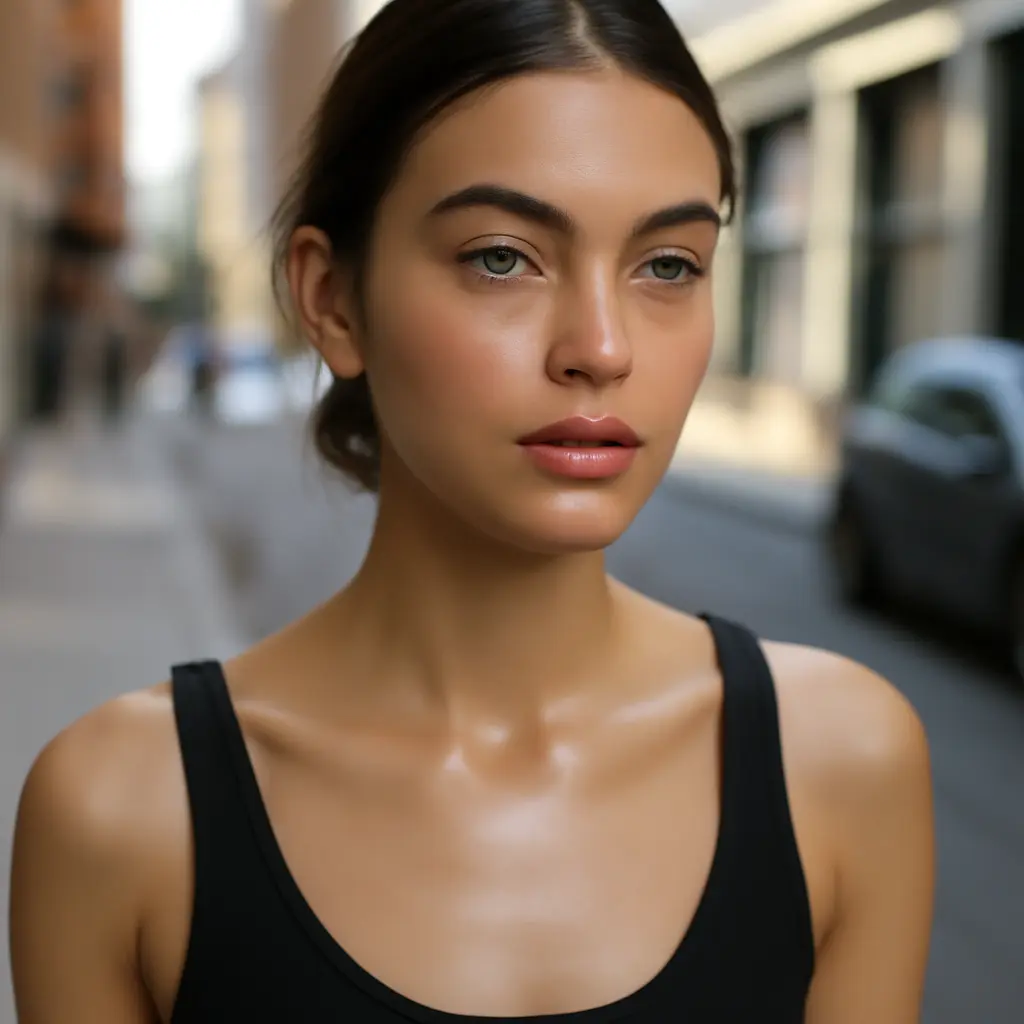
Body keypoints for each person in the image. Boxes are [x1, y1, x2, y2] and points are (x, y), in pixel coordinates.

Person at [9, 1, 935, 1021]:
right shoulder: (121, 811)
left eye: (667, 265)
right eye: (502, 255)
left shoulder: (844, 762)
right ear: (331, 299)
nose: (602, 346)